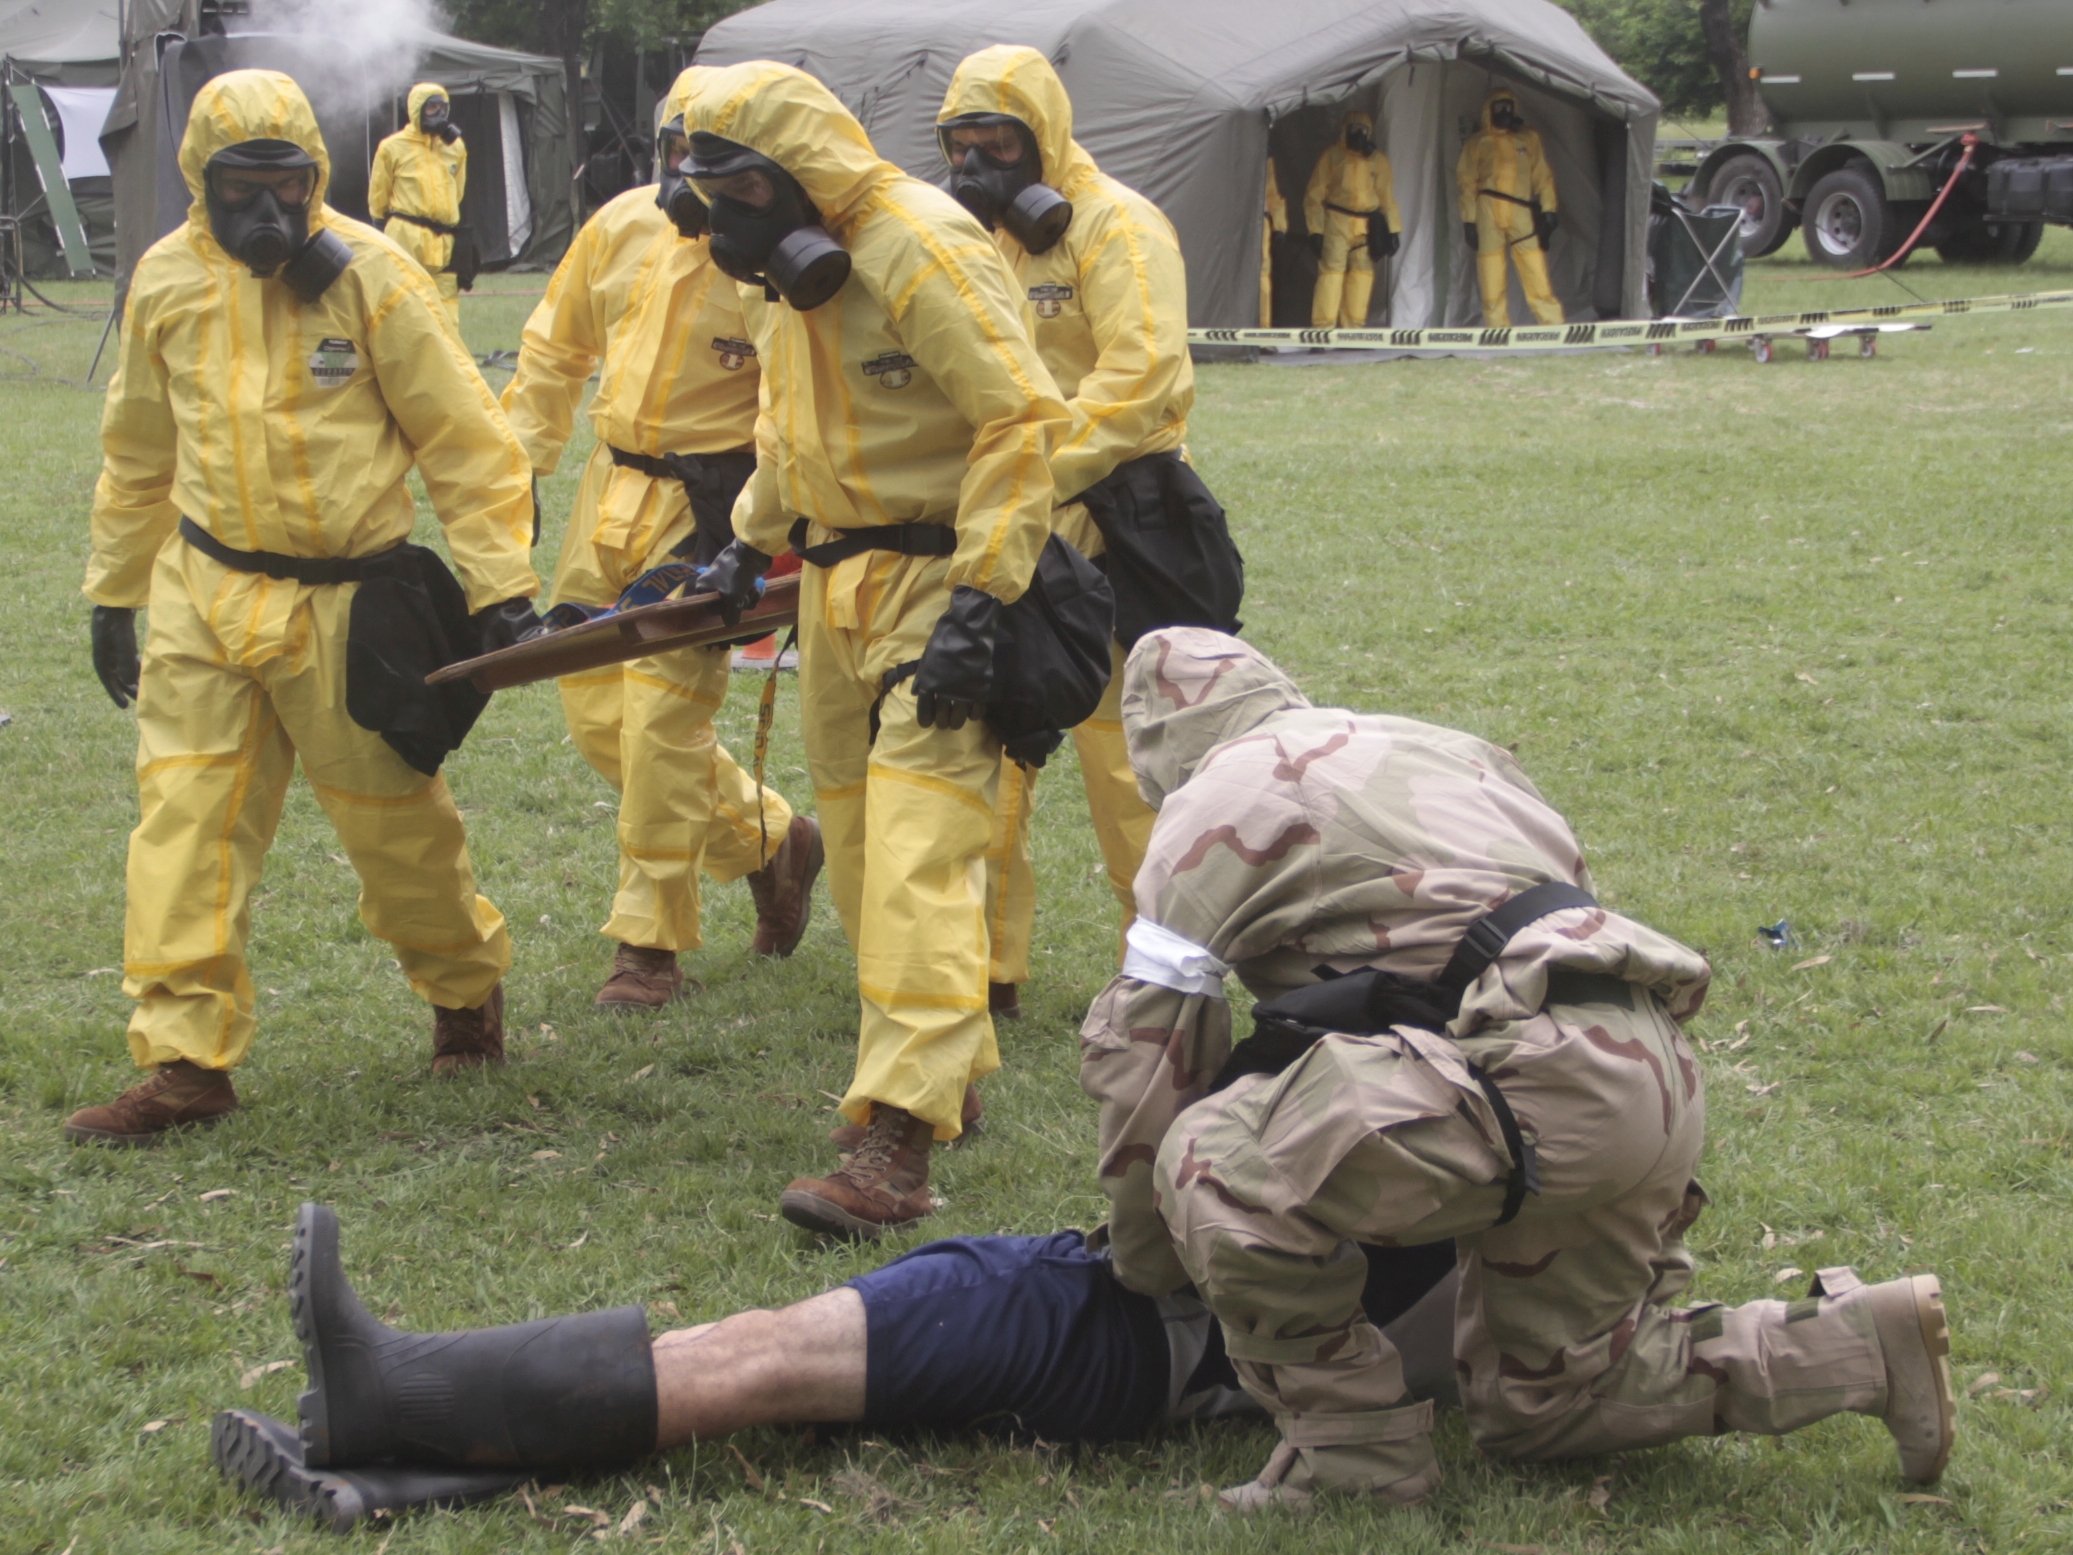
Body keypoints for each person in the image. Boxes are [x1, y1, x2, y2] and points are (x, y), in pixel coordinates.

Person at [1080, 628, 1958, 1511]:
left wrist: (1148, 1262)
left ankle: (1354, 1465)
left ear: (1163, 754)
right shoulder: (1441, 747)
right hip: (1640, 1067)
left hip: (1527, 1082)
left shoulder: (1215, 799)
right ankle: (1858, 1344)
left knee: (1209, 1159)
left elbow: (1147, 1051)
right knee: (1547, 1403)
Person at [69, 70, 540, 1146]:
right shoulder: (166, 280)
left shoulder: (371, 277)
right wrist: (114, 592)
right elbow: (138, 450)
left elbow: (465, 442)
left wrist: (503, 590)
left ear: (318, 178)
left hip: (344, 605)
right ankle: (185, 1062)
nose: (269, 214)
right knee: (184, 825)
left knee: (393, 824)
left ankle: (465, 1000)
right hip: (203, 593)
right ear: (202, 185)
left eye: (289, 187)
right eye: (244, 192)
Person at [679, 62, 1072, 1238]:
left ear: (805, 175)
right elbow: (788, 428)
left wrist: (985, 598)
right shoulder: (783, 275)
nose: (726, 218)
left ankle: (897, 1134)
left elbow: (1018, 418)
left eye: (745, 188)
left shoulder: (921, 245)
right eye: (710, 193)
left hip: (938, 579)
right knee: (852, 845)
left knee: (917, 849)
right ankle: (948, 1067)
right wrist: (749, 545)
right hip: (832, 584)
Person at [212, 1202, 1459, 1528]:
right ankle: (398, 1476)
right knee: (791, 1355)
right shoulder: (1517, 1253)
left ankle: (395, 1393)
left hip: (1113, 1325)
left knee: (774, 1355)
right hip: (1134, 1328)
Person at [500, 67, 822, 1007]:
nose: (690, 174)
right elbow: (555, 346)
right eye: (679, 150)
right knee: (597, 712)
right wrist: (519, 463)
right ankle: (770, 838)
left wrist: (759, 535)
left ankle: (648, 945)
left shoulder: (778, 259)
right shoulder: (618, 225)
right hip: (611, 485)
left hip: (710, 501)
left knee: (664, 724)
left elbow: (793, 409)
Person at [935, 46, 1240, 1022]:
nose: (980, 165)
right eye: (962, 147)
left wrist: (1031, 473)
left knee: (1130, 769)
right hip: (1014, 520)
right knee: (992, 748)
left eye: (1001, 144)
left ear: (1046, 137)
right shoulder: (976, 242)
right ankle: (985, 972)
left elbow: (1142, 380)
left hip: (1122, 520)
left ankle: (1163, 980)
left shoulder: (1117, 225)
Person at [1457, 88, 1563, 327]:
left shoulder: (1528, 139)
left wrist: (1549, 208)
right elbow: (1466, 183)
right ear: (1488, 111)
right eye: (1499, 108)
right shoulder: (1478, 142)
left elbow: (1542, 176)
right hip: (1488, 212)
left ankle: (1552, 324)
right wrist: (1469, 221)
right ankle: (1497, 328)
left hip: (1521, 212)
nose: (1504, 113)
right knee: (1491, 275)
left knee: (1535, 271)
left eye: (1508, 108)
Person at [368, 83, 467, 324]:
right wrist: (382, 223)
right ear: (416, 110)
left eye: (443, 108)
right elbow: (379, 192)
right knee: (404, 302)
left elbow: (458, 191)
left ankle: (447, 358)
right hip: (405, 234)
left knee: (446, 309)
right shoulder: (392, 147)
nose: (439, 114)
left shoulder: (455, 147)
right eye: (432, 107)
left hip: (443, 239)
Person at [1304, 111, 1400, 329]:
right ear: (1344, 131)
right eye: (1354, 129)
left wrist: (1394, 229)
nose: (1359, 135)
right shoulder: (1332, 157)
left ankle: (1353, 331)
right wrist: (1316, 230)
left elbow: (1386, 197)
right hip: (1337, 222)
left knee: (1361, 277)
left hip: (1366, 227)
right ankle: (1322, 329)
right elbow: (1314, 195)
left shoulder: (1377, 161)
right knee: (1331, 275)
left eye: (1363, 130)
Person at [1261, 156, 1287, 327]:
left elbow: (1272, 194)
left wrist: (1280, 226)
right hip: (1235, 223)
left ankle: (1262, 333)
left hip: (1261, 222)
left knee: (1263, 275)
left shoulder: (1266, 161)